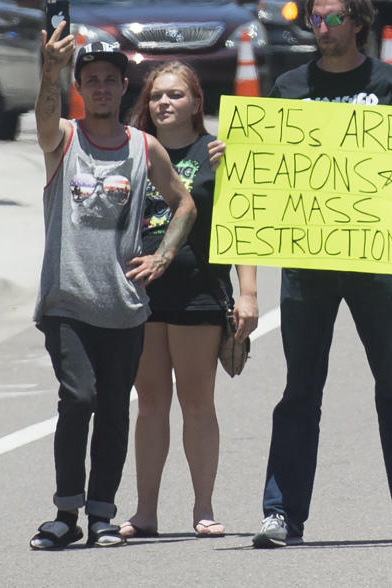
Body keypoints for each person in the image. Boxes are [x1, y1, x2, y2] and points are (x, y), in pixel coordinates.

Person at [209, 0, 392, 548]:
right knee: (300, 391)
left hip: (373, 261)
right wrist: (236, 155)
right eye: (315, 18)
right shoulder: (289, 86)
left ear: (356, 22)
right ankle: (282, 513)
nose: (323, 27)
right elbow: (266, 173)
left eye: (333, 18)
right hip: (307, 265)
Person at [29, 27, 197, 550]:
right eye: (91, 80)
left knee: (114, 408)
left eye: (109, 80)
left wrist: (164, 255)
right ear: (80, 88)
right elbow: (42, 116)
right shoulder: (63, 139)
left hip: (124, 306)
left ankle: (102, 512)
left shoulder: (144, 148)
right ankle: (65, 512)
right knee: (78, 397)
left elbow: (185, 203)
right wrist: (49, 71)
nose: (101, 88)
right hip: (67, 301)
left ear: (124, 87)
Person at [119, 61, 259, 539]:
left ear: (196, 102)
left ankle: (203, 508)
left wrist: (248, 294)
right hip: (141, 294)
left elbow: (242, 227)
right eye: (156, 95)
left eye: (176, 95)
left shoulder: (217, 152)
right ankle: (145, 512)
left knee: (197, 402)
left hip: (199, 293)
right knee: (151, 402)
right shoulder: (133, 150)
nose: (164, 103)